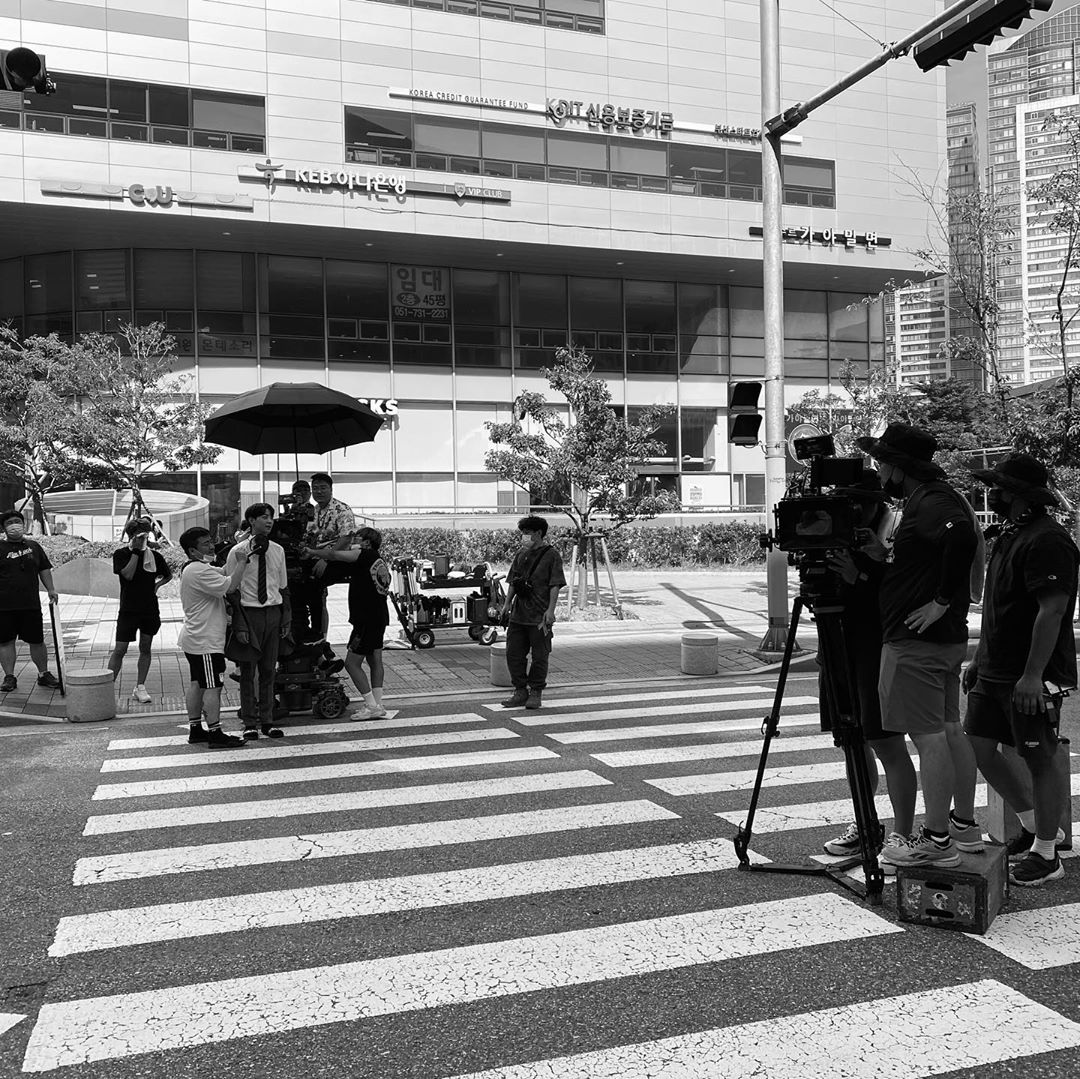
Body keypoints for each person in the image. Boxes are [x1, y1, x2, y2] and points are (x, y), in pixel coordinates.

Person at [857, 423, 982, 869]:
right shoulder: (931, 499)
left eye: (882, 462)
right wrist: (884, 557)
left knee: (928, 738)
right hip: (938, 641)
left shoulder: (931, 500)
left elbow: (961, 538)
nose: (878, 470)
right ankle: (961, 826)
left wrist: (940, 601)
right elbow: (932, 555)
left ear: (899, 467)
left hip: (918, 643)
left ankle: (936, 839)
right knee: (947, 731)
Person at [964, 453, 1078, 887]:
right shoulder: (1011, 535)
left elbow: (1053, 611)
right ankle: (1033, 825)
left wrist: (1033, 676)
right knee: (977, 747)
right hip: (994, 668)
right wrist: (978, 658)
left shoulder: (1049, 540)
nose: (992, 493)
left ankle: (1048, 853)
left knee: (1039, 755)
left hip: (1029, 673)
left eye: (999, 487)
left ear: (1017, 494)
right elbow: (998, 607)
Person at [818, 471, 919, 873]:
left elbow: (900, 596)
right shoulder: (831, 533)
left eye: (862, 502)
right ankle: (866, 824)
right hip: (836, 649)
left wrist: (862, 573)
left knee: (887, 744)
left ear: (879, 504)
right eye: (848, 502)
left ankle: (902, 834)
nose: (855, 510)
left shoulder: (895, 537)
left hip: (875, 652)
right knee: (851, 743)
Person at [305, 526, 391, 720]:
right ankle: (378, 704)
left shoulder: (363, 554)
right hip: (379, 617)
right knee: (375, 660)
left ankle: (371, 706)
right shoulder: (377, 559)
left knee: (352, 664)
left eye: (357, 539)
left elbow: (334, 555)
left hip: (365, 620)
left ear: (366, 543)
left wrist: (311, 552)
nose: (353, 542)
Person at [177, 526, 249, 748]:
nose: (211, 546)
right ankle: (215, 732)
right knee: (213, 686)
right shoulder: (199, 571)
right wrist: (243, 561)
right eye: (205, 544)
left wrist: (237, 548)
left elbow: (224, 571)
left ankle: (196, 729)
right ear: (192, 550)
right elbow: (231, 585)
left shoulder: (195, 568)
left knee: (198, 684)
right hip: (205, 641)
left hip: (195, 638)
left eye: (211, 541)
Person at [224, 504, 290, 740]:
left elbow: (282, 587)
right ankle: (249, 722)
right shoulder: (238, 552)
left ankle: (268, 721)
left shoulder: (278, 550)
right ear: (251, 521)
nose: (269, 521)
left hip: (272, 613)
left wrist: (286, 618)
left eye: (271, 517)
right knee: (247, 671)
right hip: (248, 614)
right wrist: (239, 624)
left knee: (269, 670)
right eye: (263, 517)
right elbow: (231, 590)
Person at [500, 515, 566, 711]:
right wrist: (507, 604)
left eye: (527, 533)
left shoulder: (551, 555)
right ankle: (520, 691)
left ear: (538, 533)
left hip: (539, 616)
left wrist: (550, 610)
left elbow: (555, 585)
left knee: (540, 656)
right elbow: (513, 581)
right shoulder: (521, 554)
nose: (524, 536)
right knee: (513, 654)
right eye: (522, 533)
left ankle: (536, 691)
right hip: (518, 615)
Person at [107, 518, 172, 703]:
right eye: (139, 536)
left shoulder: (154, 556)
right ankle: (107, 686)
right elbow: (127, 574)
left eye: (145, 536)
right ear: (131, 536)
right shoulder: (121, 554)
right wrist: (136, 551)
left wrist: (157, 585)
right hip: (128, 608)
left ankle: (140, 686)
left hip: (149, 607)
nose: (143, 539)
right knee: (120, 649)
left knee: (145, 646)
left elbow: (168, 575)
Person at [0, 510, 61, 693]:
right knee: (6, 642)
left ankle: (43, 674)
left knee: (37, 640)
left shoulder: (34, 546)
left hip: (30, 604)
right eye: (9, 523)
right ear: (3, 528)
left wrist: (51, 589)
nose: (14, 526)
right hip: (4, 606)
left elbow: (44, 569)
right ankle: (9, 677)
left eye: (17, 521)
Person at [294, 473, 356, 641]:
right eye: (315, 488)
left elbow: (346, 538)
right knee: (295, 580)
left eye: (323, 488)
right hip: (315, 556)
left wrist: (326, 559)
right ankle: (303, 631)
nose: (319, 492)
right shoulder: (312, 511)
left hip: (337, 558)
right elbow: (309, 536)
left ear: (331, 489)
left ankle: (319, 637)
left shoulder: (342, 509)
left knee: (314, 586)